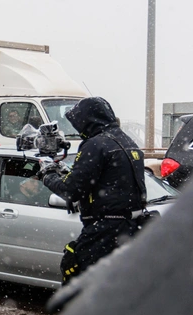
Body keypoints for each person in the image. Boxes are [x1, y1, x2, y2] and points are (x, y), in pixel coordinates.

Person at [38, 96, 145, 285]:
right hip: (131, 227)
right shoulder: (126, 141)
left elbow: (71, 191)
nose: (78, 129)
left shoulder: (95, 145)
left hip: (105, 232)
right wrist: (68, 172)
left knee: (79, 282)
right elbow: (106, 179)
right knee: (118, 288)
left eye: (78, 123)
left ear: (88, 120)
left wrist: (48, 175)